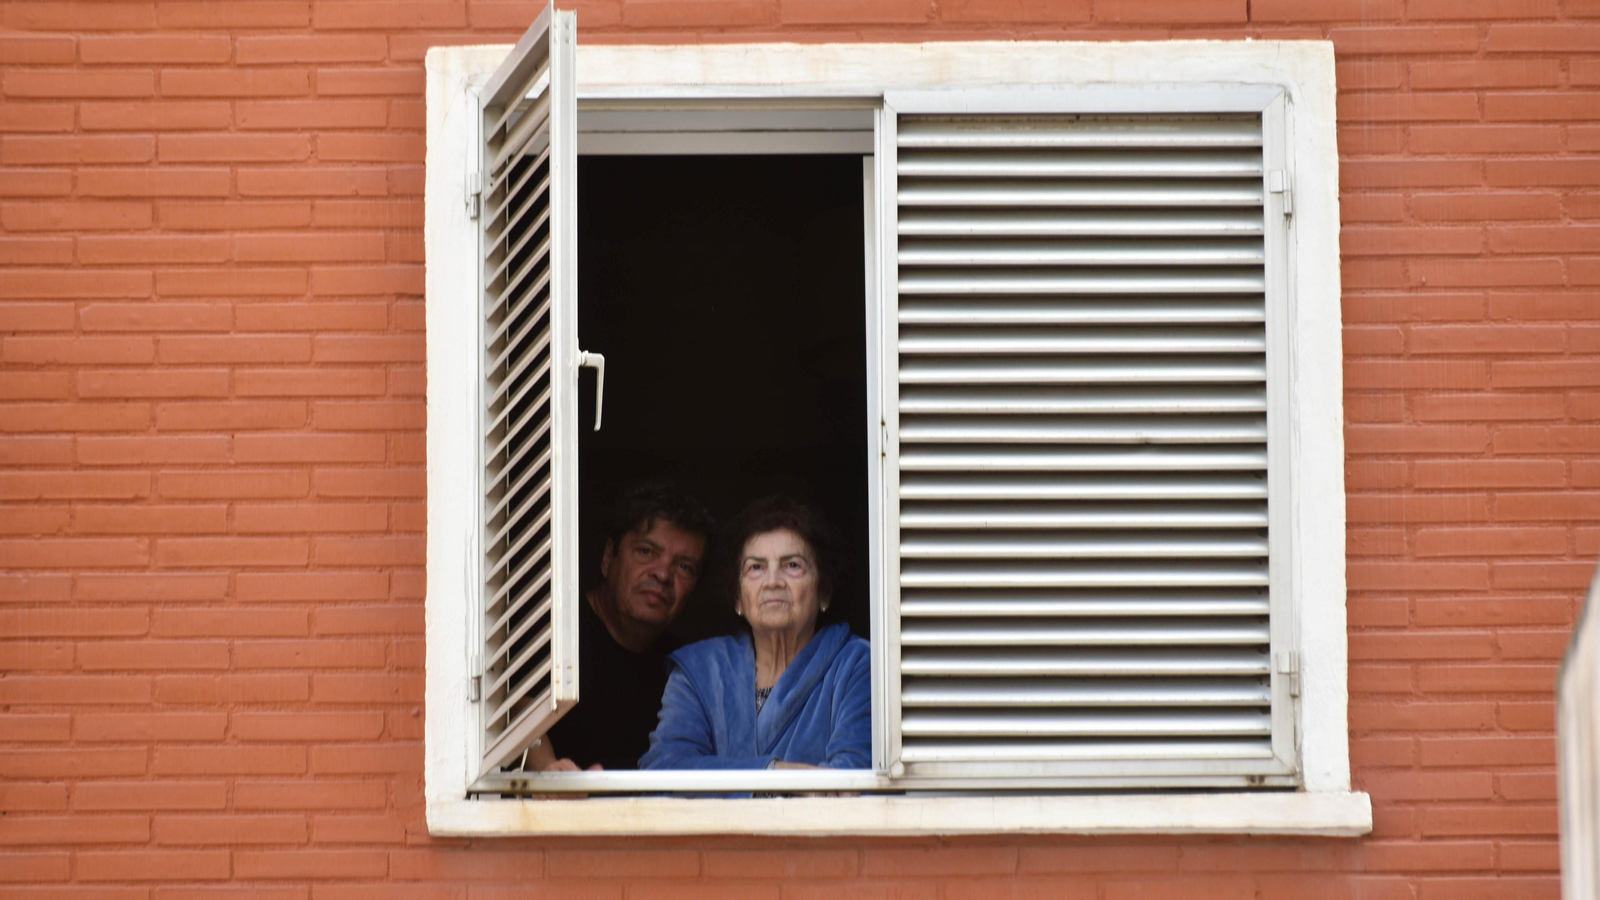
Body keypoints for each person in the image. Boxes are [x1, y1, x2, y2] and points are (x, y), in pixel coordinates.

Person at [639, 496, 870, 773]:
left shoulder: (858, 665)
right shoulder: (699, 670)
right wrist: (774, 772)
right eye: (756, 568)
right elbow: (665, 769)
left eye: (792, 565)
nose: (773, 582)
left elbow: (853, 780)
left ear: (824, 592)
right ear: (738, 597)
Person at [527, 482, 714, 773]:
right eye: (646, 551)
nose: (663, 573)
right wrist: (549, 771)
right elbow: (516, 712)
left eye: (684, 566)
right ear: (607, 557)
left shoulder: (685, 671)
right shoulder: (550, 632)